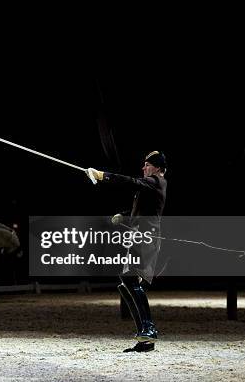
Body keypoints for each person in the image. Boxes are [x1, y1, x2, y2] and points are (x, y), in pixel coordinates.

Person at [86, 151, 167, 353]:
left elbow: (131, 182)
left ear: (157, 168)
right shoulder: (151, 185)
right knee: (126, 284)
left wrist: (102, 175)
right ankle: (145, 339)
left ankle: (149, 328)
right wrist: (123, 216)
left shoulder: (157, 181)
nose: (143, 168)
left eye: (147, 164)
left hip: (147, 238)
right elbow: (141, 212)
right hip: (140, 237)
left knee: (130, 279)